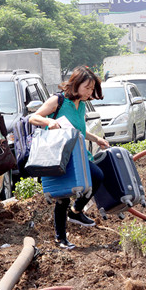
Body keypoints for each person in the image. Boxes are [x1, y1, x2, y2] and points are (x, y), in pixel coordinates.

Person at [29, 66, 109, 249]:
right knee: (62, 196)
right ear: (76, 84)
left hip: (79, 154)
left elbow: (79, 129)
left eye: (91, 89)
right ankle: (60, 238)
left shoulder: (81, 105)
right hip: (59, 155)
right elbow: (33, 118)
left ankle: (76, 211)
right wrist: (49, 121)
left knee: (97, 176)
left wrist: (96, 138)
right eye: (86, 88)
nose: (89, 92)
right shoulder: (58, 100)